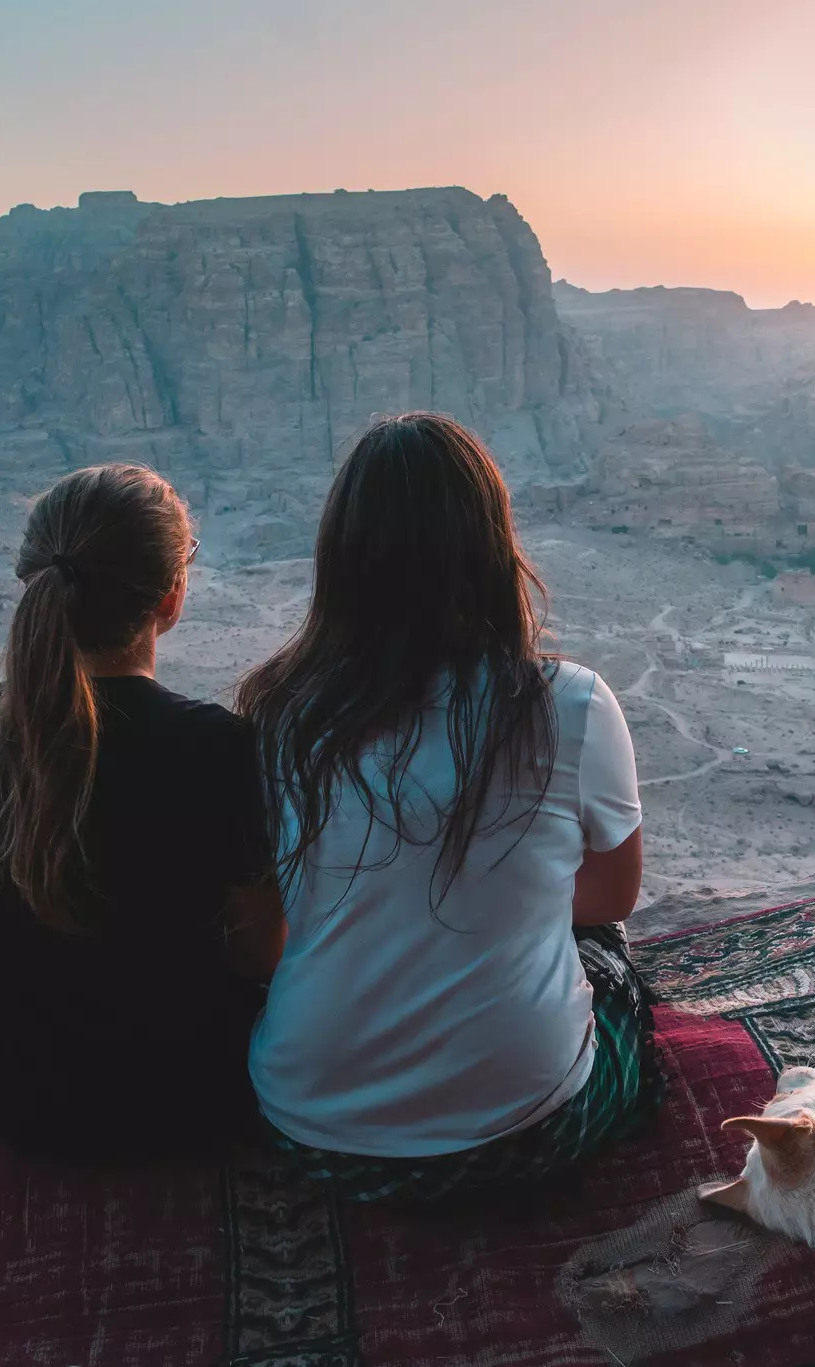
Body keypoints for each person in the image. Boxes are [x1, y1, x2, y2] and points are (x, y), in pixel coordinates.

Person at [239, 412, 658, 1202]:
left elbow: (270, 919)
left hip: (309, 1130)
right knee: (607, 954)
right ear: (492, 549)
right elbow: (611, 896)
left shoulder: (279, 711)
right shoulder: (568, 704)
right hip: (526, 1133)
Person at [0, 465, 279, 1161]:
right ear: (171, 597)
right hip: (187, 1098)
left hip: (6, 1096)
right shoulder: (217, 748)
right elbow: (263, 949)